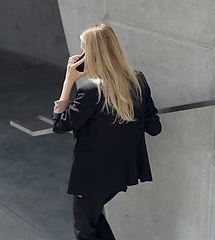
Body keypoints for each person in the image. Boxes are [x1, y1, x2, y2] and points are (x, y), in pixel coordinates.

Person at [52, 23, 162, 240]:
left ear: (91, 53)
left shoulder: (90, 92)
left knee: (85, 230)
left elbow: (59, 125)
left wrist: (68, 81)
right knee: (93, 222)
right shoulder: (138, 81)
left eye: (83, 49)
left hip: (92, 177)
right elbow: (154, 128)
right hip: (122, 171)